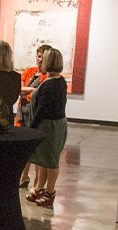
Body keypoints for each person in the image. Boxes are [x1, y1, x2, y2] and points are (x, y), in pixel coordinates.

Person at [26, 49, 69, 208]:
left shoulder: (51, 84)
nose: (40, 62)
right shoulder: (58, 80)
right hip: (53, 125)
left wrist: (31, 130)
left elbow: (41, 110)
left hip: (50, 127)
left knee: (50, 161)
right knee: (44, 160)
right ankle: (39, 188)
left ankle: (50, 192)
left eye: (42, 59)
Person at [18, 44, 54, 187]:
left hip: (35, 115)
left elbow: (36, 96)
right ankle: (24, 176)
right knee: (23, 148)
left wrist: (30, 91)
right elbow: (19, 90)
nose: (39, 60)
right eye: (38, 56)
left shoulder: (48, 77)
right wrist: (32, 89)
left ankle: (37, 182)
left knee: (37, 150)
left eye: (42, 57)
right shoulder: (30, 72)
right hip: (22, 114)